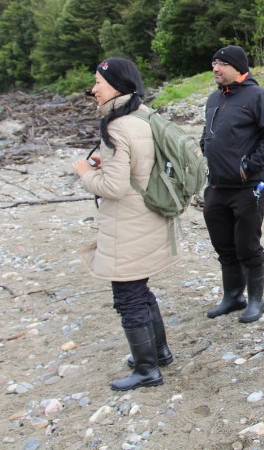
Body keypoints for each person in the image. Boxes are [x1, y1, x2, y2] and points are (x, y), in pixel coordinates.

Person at [73, 57, 181, 391]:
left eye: (98, 82)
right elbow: (139, 164)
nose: (93, 89)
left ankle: (147, 370)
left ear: (116, 85)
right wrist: (104, 163)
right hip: (149, 216)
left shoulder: (116, 125)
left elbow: (114, 188)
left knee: (127, 297)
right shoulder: (141, 115)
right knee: (140, 289)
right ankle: (159, 352)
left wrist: (86, 173)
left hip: (129, 223)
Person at [201, 45, 264, 323]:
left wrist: (247, 168)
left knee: (246, 244)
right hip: (216, 185)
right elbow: (207, 135)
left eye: (221, 63)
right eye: (214, 63)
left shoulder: (259, 96)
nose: (215, 68)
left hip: (251, 186)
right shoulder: (214, 98)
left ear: (238, 66)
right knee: (223, 244)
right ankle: (233, 296)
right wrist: (206, 150)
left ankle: (255, 300)